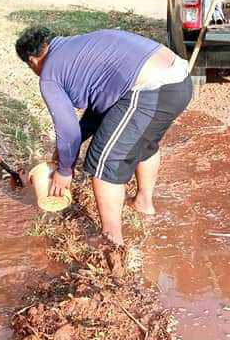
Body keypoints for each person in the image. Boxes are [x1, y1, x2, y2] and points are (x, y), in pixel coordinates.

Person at [15, 26, 192, 246]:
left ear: (32, 61)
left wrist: (64, 170)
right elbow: (100, 106)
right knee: (143, 143)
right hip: (180, 79)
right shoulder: (78, 45)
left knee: (103, 162)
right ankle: (143, 203)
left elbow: (67, 129)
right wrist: (69, 150)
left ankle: (111, 241)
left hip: (150, 89)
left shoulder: (49, 75)